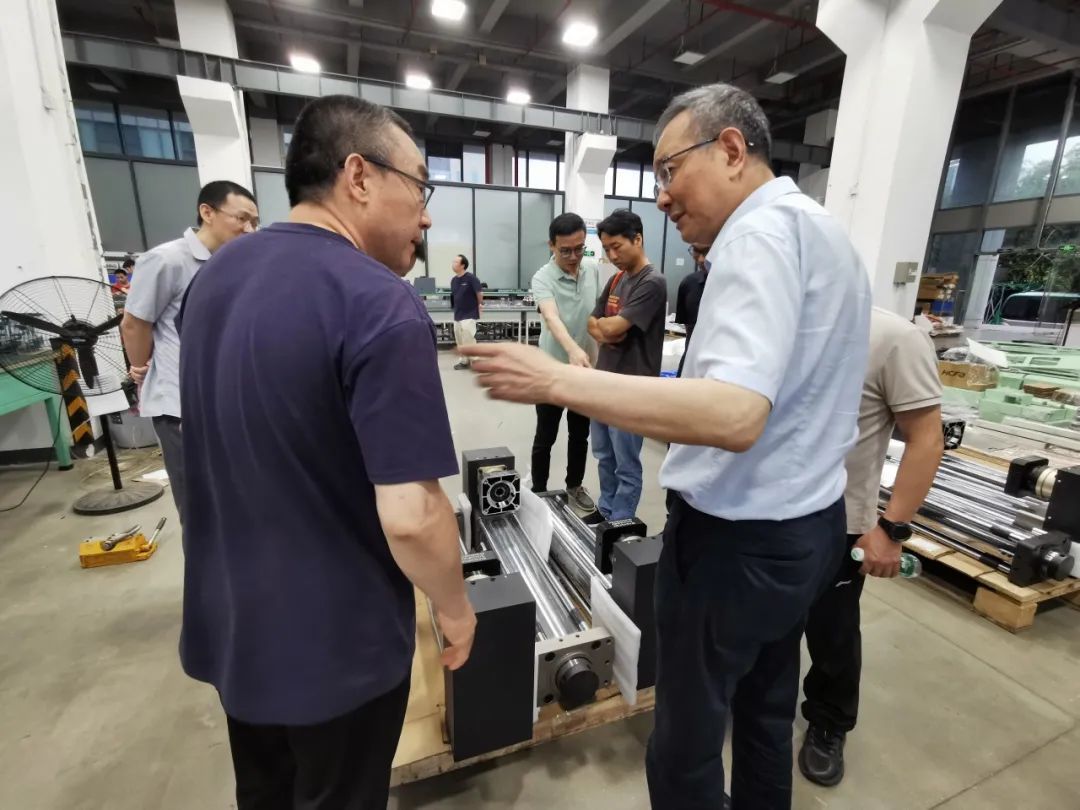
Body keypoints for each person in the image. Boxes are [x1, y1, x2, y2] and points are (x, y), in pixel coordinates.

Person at [462, 82, 871, 810]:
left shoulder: (756, 235)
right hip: (810, 529)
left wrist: (558, 381)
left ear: (732, 149)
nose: (661, 197)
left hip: (736, 543)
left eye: (669, 170)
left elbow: (735, 414)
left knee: (686, 741)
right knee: (766, 711)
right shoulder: (823, 231)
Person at [177, 95, 475, 810]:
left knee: (266, 794)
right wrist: (456, 606)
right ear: (359, 176)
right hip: (333, 648)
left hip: (236, 625)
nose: (426, 217)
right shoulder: (378, 301)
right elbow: (411, 515)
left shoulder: (215, 278)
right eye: (421, 188)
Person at [799, 308, 943, 787]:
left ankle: (829, 720)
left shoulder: (893, 337)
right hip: (766, 514)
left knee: (832, 633)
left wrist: (891, 529)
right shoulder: (779, 319)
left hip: (840, 522)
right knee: (763, 625)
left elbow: (926, 438)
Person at [121, 180, 258, 521]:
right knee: (199, 508)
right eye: (241, 218)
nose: (249, 229)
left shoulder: (235, 262)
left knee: (237, 501)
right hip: (181, 405)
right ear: (207, 212)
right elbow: (135, 323)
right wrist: (140, 367)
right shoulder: (167, 260)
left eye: (255, 221)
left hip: (228, 401)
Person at [586, 208, 667, 520]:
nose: (611, 255)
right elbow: (593, 322)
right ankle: (606, 508)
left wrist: (606, 328)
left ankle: (620, 520)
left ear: (638, 239)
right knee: (604, 454)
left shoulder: (652, 282)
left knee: (626, 462)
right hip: (603, 383)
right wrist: (603, 329)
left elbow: (613, 327)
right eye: (606, 249)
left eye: (616, 247)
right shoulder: (616, 279)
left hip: (632, 388)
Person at [529, 212, 600, 515]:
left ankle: (574, 485)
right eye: (565, 250)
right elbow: (551, 317)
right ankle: (539, 492)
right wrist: (573, 350)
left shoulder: (592, 270)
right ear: (551, 246)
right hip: (551, 372)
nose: (573, 257)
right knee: (545, 436)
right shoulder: (542, 277)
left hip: (585, 372)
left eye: (579, 248)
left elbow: (598, 315)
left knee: (579, 435)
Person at [675, 245, 709, 377]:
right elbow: (688, 328)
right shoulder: (688, 284)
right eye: (696, 252)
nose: (701, 259)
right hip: (689, 364)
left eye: (706, 252)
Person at [450, 254, 482, 370]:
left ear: (462, 265)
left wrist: (480, 305)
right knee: (459, 339)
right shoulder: (454, 280)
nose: (453, 264)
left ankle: (475, 361)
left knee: (468, 337)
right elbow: (454, 296)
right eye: (453, 262)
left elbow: (479, 293)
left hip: (469, 313)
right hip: (458, 314)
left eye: (455, 262)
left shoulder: (471, 278)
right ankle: (464, 361)